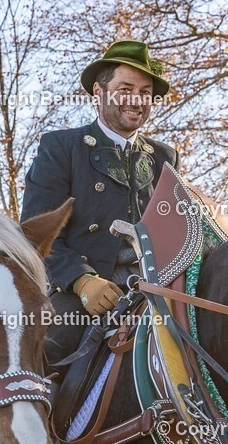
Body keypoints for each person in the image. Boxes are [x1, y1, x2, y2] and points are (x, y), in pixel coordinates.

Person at [19, 40, 179, 365]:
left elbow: (174, 233)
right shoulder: (61, 147)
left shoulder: (165, 157)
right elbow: (35, 237)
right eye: (125, 88)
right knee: (42, 356)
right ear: (99, 91)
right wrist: (82, 281)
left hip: (158, 292)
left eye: (146, 92)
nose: (136, 101)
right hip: (79, 295)